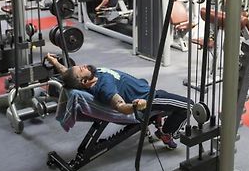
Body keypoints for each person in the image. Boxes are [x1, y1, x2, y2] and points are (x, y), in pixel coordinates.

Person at [46, 54, 189, 149]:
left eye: (80, 66)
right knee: (188, 106)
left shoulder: (90, 77)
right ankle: (167, 133)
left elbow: (66, 72)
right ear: (84, 81)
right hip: (150, 98)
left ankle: (159, 118)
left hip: (143, 87)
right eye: (81, 70)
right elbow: (120, 107)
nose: (83, 66)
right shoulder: (105, 89)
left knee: (150, 87)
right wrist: (136, 106)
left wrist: (54, 61)